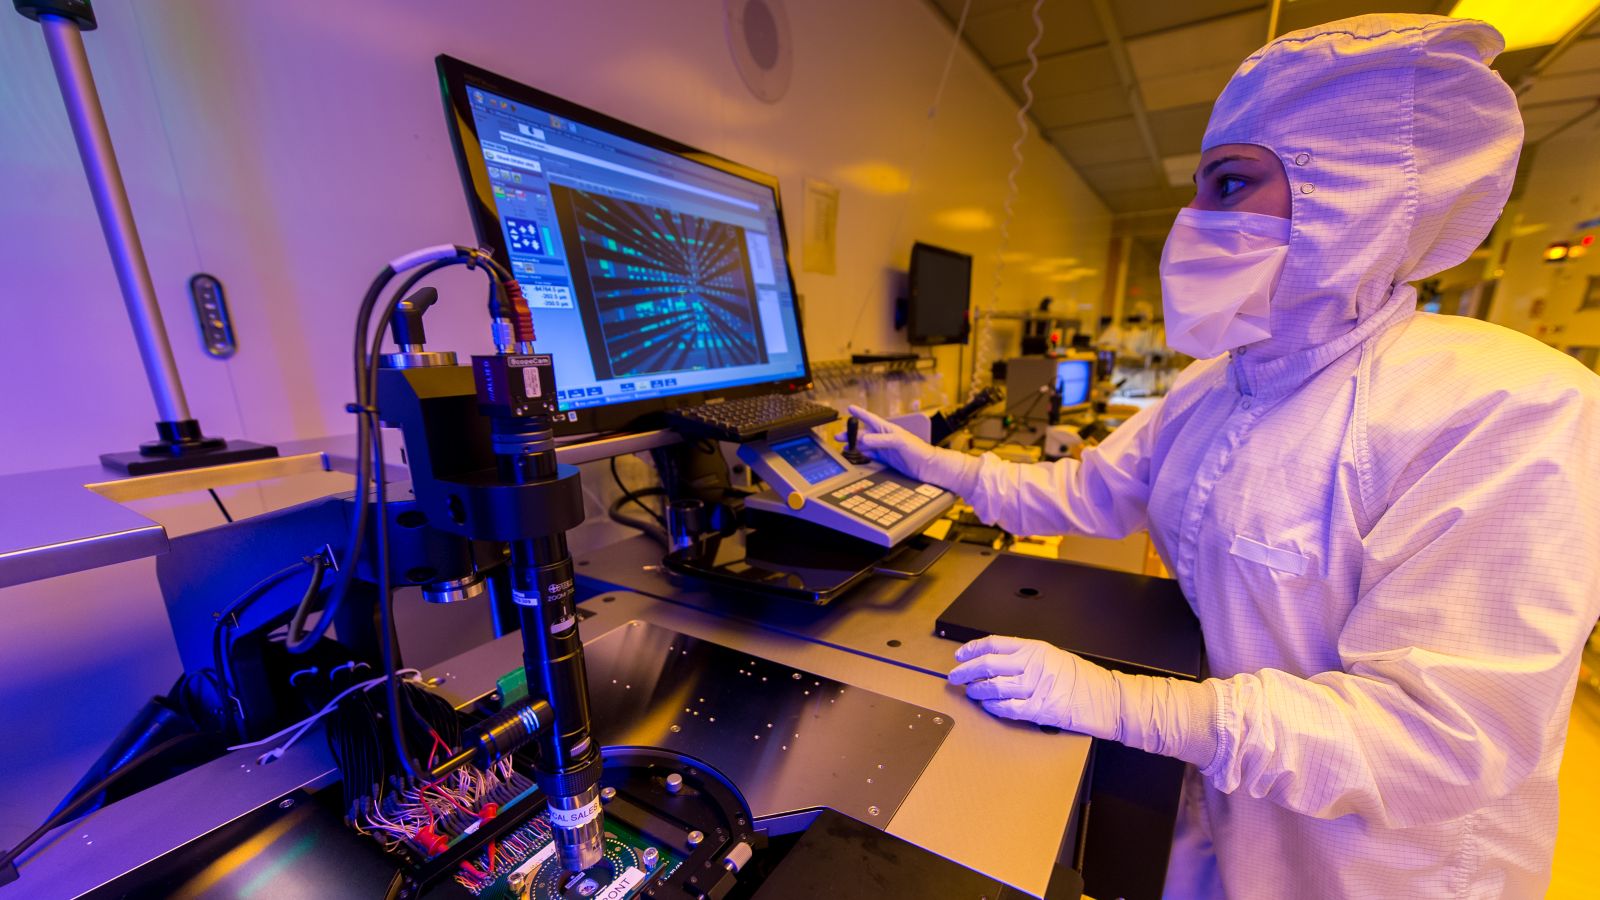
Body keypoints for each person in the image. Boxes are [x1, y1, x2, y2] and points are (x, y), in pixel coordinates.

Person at [849, 14, 1600, 899]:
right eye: (1199, 188)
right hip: (1227, 815)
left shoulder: (1505, 407)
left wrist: (1125, 702)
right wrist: (928, 464)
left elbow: (1443, 738)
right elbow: (1086, 493)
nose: (1195, 223)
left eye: (1233, 183)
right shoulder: (1218, 385)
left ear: (1350, 198)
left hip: (1378, 868)